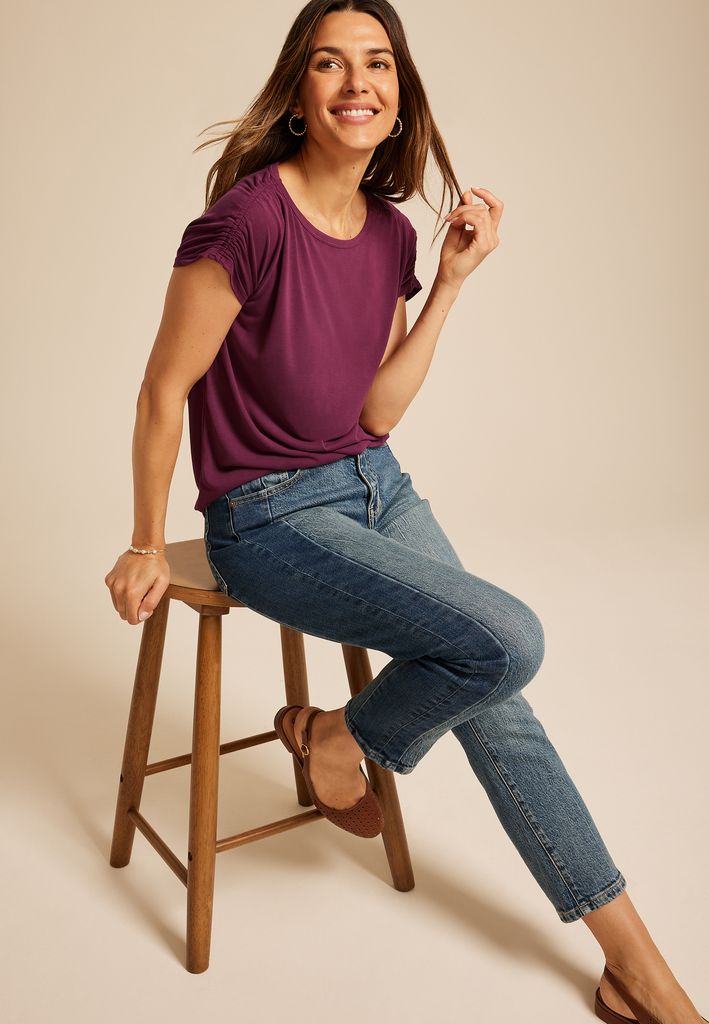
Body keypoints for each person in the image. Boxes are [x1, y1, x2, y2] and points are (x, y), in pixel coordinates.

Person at [104, 2, 706, 1020]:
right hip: (267, 514)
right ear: (298, 92)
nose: (358, 84)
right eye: (331, 64)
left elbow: (375, 411)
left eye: (378, 64)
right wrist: (140, 540)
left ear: (400, 92)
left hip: (373, 480)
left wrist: (449, 285)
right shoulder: (247, 222)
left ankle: (631, 965)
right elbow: (164, 388)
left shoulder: (388, 233)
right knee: (507, 638)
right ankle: (341, 746)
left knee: (495, 689)